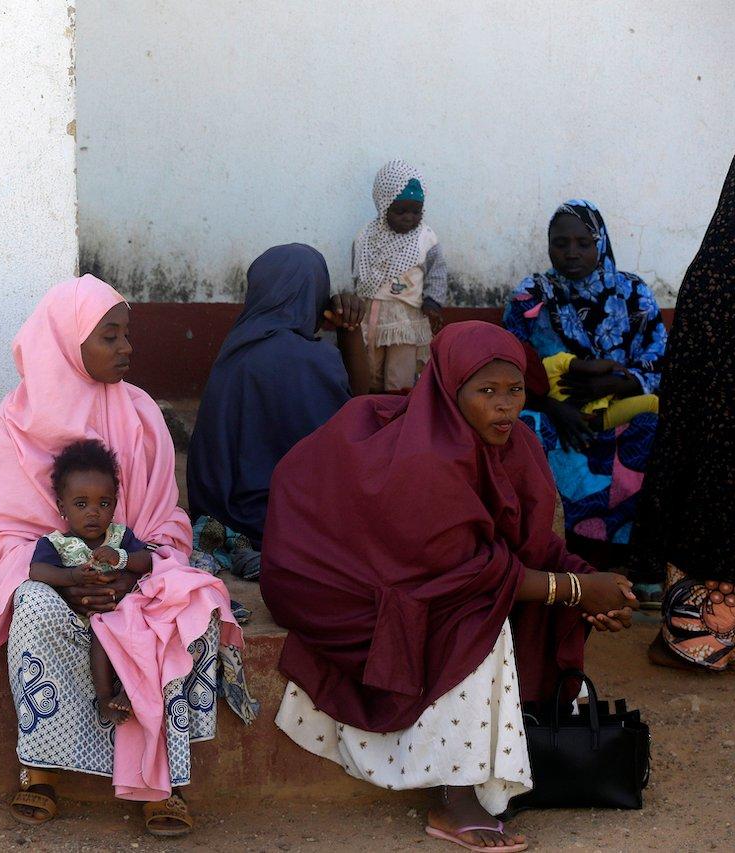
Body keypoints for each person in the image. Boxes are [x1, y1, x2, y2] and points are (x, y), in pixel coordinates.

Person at [261, 321, 637, 852]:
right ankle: (455, 795)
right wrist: (573, 590)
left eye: (515, 392)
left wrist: (592, 587)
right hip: (336, 582)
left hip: (433, 575)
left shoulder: (518, 444)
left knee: (492, 603)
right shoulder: (426, 455)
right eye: (487, 393)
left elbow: (532, 547)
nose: (505, 407)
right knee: (474, 619)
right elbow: (468, 574)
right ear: (448, 389)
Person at [0, 275, 256, 838]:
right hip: (56, 582)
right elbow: (2, 540)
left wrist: (134, 574)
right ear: (67, 341)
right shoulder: (12, 427)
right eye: (110, 336)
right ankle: (41, 769)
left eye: (126, 335)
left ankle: (163, 778)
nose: (127, 348)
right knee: (32, 606)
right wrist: (66, 580)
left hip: (129, 579)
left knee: (187, 604)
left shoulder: (141, 415)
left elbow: (165, 523)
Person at [186, 243, 367, 580]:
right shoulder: (312, 359)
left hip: (219, 511)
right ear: (316, 293)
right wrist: (348, 332)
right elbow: (360, 419)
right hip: (286, 516)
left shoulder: (236, 349)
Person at [504, 200, 667, 551]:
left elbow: (659, 362)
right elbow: (507, 366)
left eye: (584, 243)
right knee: (524, 429)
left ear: (601, 243)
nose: (571, 254)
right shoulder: (532, 295)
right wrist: (553, 408)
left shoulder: (633, 294)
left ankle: (629, 548)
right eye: (560, 244)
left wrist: (614, 384)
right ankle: (555, 544)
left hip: (619, 409)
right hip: (552, 411)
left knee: (654, 424)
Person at [631, 154, 735, 671]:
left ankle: (700, 644)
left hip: (714, 448)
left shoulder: (716, 268)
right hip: (719, 441)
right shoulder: (718, 271)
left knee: (709, 515)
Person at [29, 439, 154, 724]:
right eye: (81, 503)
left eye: (104, 503)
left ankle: (131, 691)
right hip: (89, 618)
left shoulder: (121, 537)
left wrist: (120, 557)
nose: (93, 512)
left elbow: (146, 560)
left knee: (143, 632)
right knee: (102, 632)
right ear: (62, 506)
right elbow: (37, 571)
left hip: (122, 611)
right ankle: (104, 696)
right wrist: (71, 576)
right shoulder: (57, 543)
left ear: (115, 504)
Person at [352, 159, 449, 392]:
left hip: (407, 319)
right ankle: (371, 413)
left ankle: (397, 417)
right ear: (384, 205)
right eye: (400, 211)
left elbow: (437, 272)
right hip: (371, 315)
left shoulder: (425, 238)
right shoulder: (367, 237)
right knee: (369, 372)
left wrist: (433, 301)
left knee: (400, 375)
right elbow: (357, 272)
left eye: (416, 211)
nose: (409, 218)